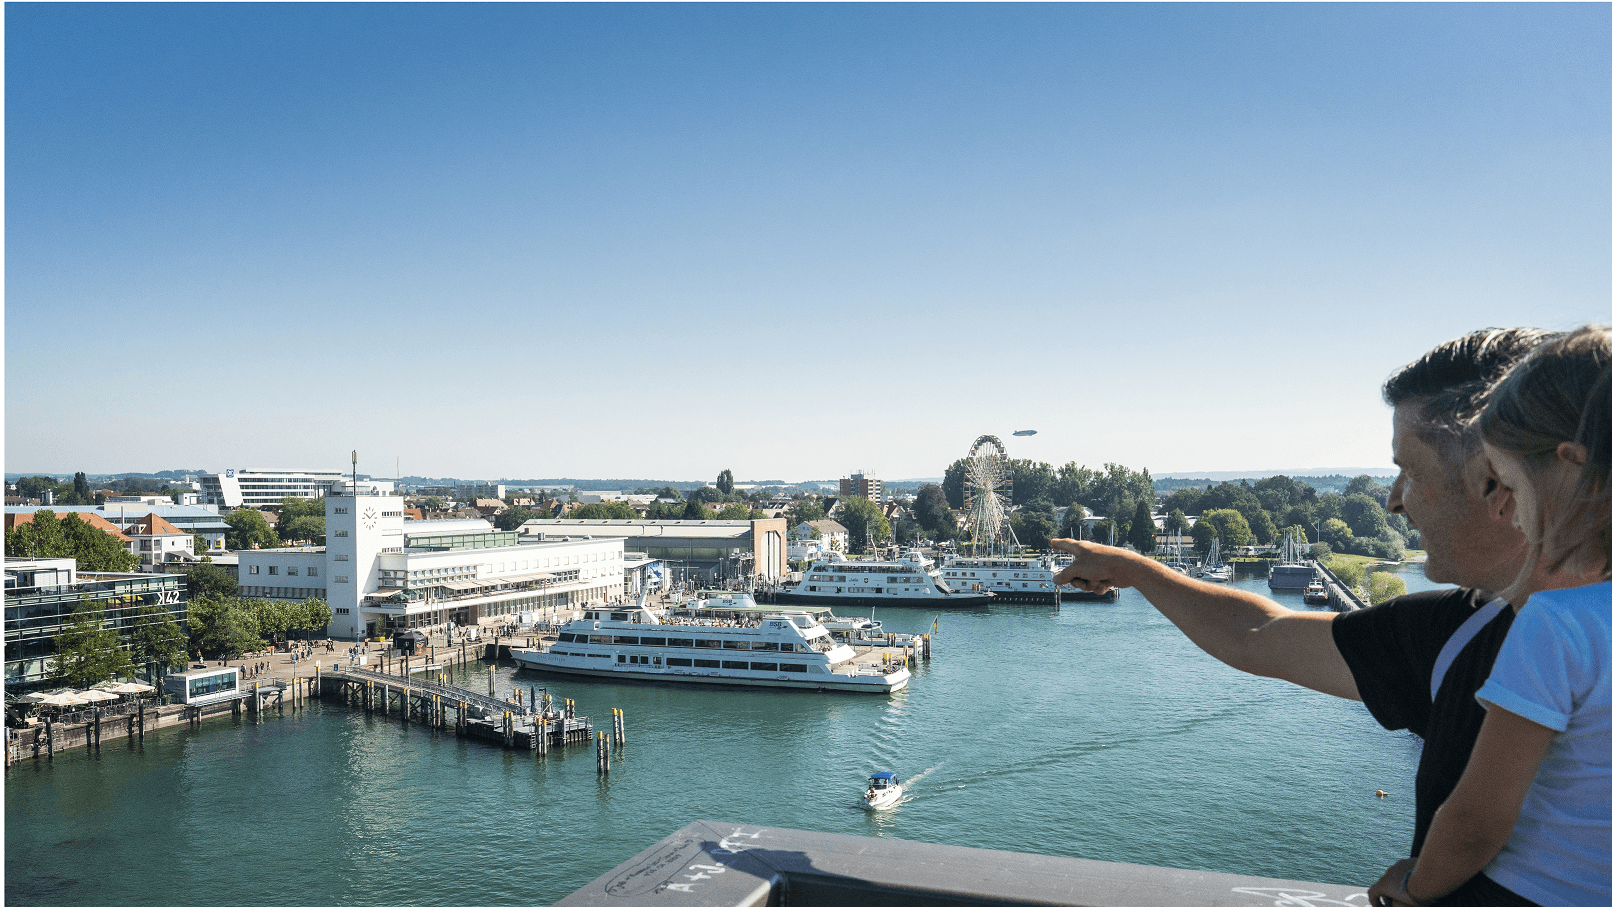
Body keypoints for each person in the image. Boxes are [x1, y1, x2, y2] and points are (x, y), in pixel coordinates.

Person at [1051, 328, 1551, 876]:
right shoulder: (1453, 629)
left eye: (1410, 471)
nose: (1393, 501)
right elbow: (1257, 634)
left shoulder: (1468, 636)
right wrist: (1133, 568)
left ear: (1493, 481)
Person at [1369, 326, 1612, 907]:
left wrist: (1415, 888)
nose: (1509, 508)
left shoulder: (1553, 626)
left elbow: (1478, 817)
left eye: (1512, 485)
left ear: (1570, 467)